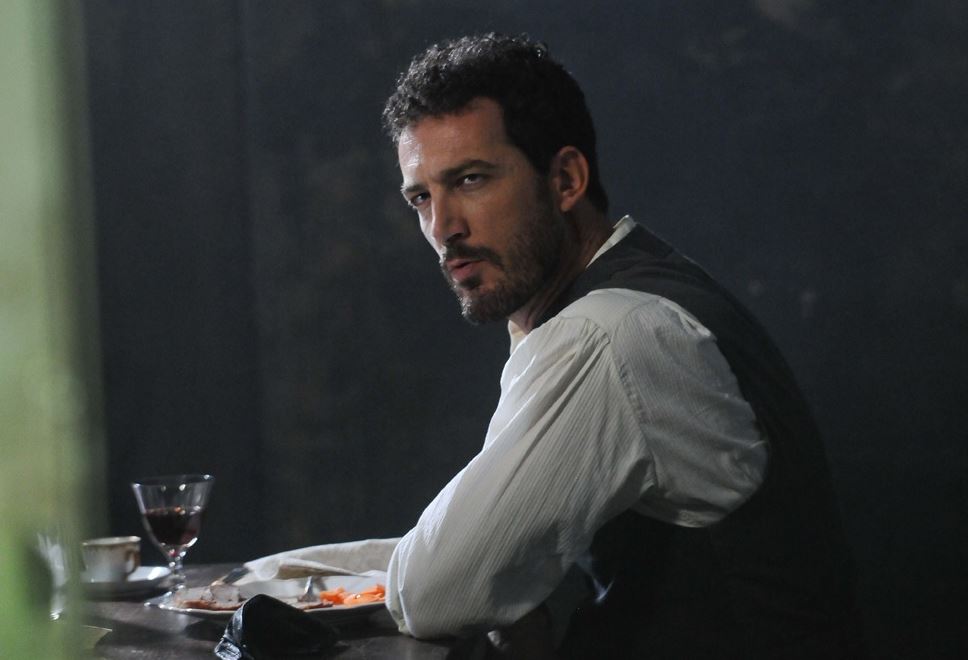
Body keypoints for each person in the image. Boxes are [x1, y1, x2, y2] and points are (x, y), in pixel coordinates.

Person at [380, 33, 859, 659]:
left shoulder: (607, 334)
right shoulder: (641, 291)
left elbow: (433, 591)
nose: (443, 229)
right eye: (422, 197)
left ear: (566, 180)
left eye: (471, 180)